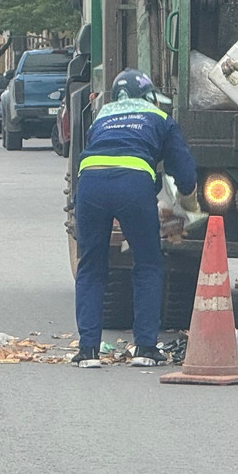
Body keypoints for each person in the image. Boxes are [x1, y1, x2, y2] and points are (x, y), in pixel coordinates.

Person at [72, 69, 199, 369]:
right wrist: (187, 204)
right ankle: (145, 348)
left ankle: (87, 351)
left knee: (90, 266)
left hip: (89, 183)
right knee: (147, 264)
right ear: (149, 95)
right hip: (132, 184)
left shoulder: (102, 116)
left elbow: (110, 151)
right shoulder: (158, 117)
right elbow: (185, 173)